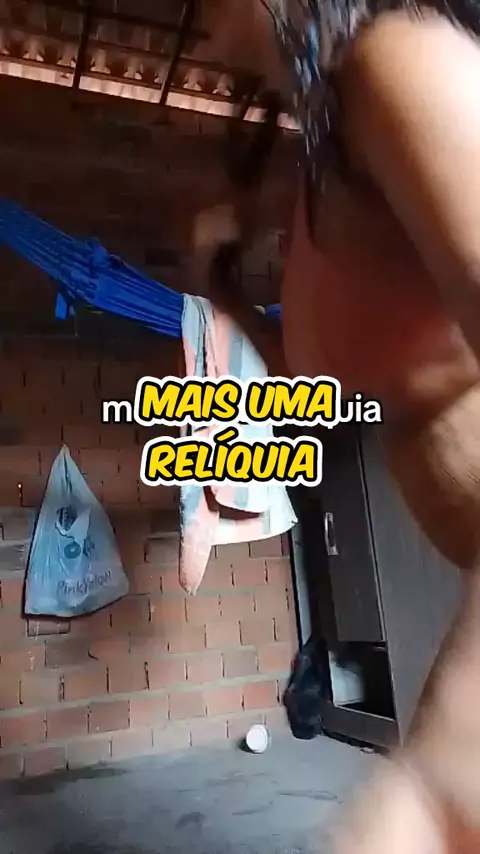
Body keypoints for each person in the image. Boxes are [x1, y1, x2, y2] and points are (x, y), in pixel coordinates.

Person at [195, 1, 480, 851]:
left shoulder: (398, 60)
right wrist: (223, 293)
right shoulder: (325, 146)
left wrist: (447, 766)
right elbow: (314, 390)